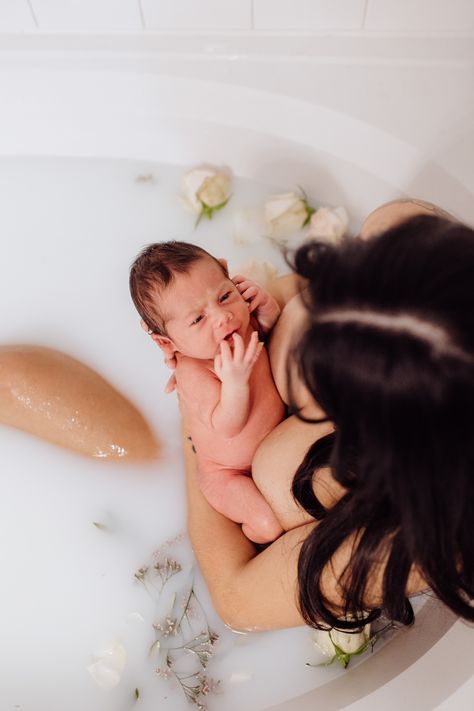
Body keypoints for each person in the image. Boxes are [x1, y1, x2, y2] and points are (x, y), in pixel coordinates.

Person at [169, 200, 474, 634]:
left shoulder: (443, 533)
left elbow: (238, 600)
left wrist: (200, 408)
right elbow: (303, 283)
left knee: (282, 481)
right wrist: (236, 320)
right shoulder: (412, 248)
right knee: (393, 220)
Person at [129, 241, 285, 543]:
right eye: (198, 319)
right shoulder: (194, 372)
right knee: (268, 524)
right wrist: (235, 384)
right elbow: (228, 425)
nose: (222, 316)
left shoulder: (238, 324)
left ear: (228, 274)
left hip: (274, 447)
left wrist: (268, 311)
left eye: (224, 295)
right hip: (228, 472)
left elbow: (270, 336)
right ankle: (250, 540)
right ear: (166, 343)